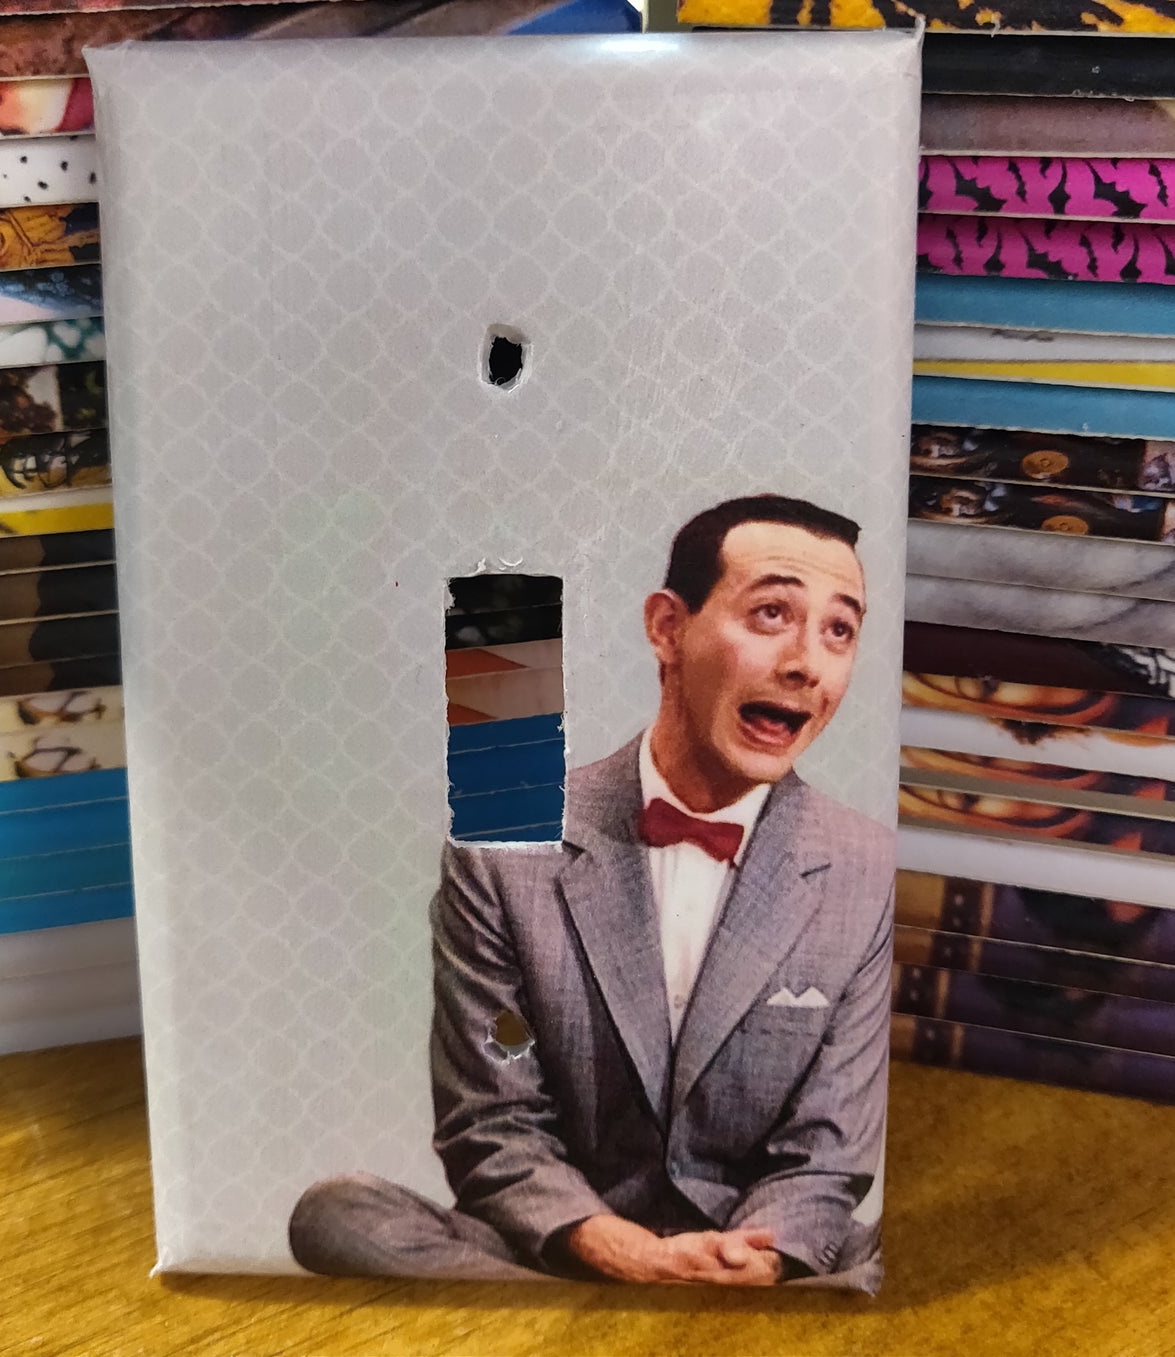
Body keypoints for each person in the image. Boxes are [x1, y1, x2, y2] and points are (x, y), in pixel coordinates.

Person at [290, 495, 895, 1287]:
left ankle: (578, 1328)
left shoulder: (864, 865)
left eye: (838, 630)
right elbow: (494, 1120)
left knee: (892, 1259)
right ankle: (615, 1317)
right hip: (572, 1247)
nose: (805, 663)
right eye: (771, 613)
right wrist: (626, 1253)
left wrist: (752, 1259)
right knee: (339, 1212)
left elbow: (827, 1151)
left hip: (757, 1262)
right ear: (667, 628)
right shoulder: (506, 840)